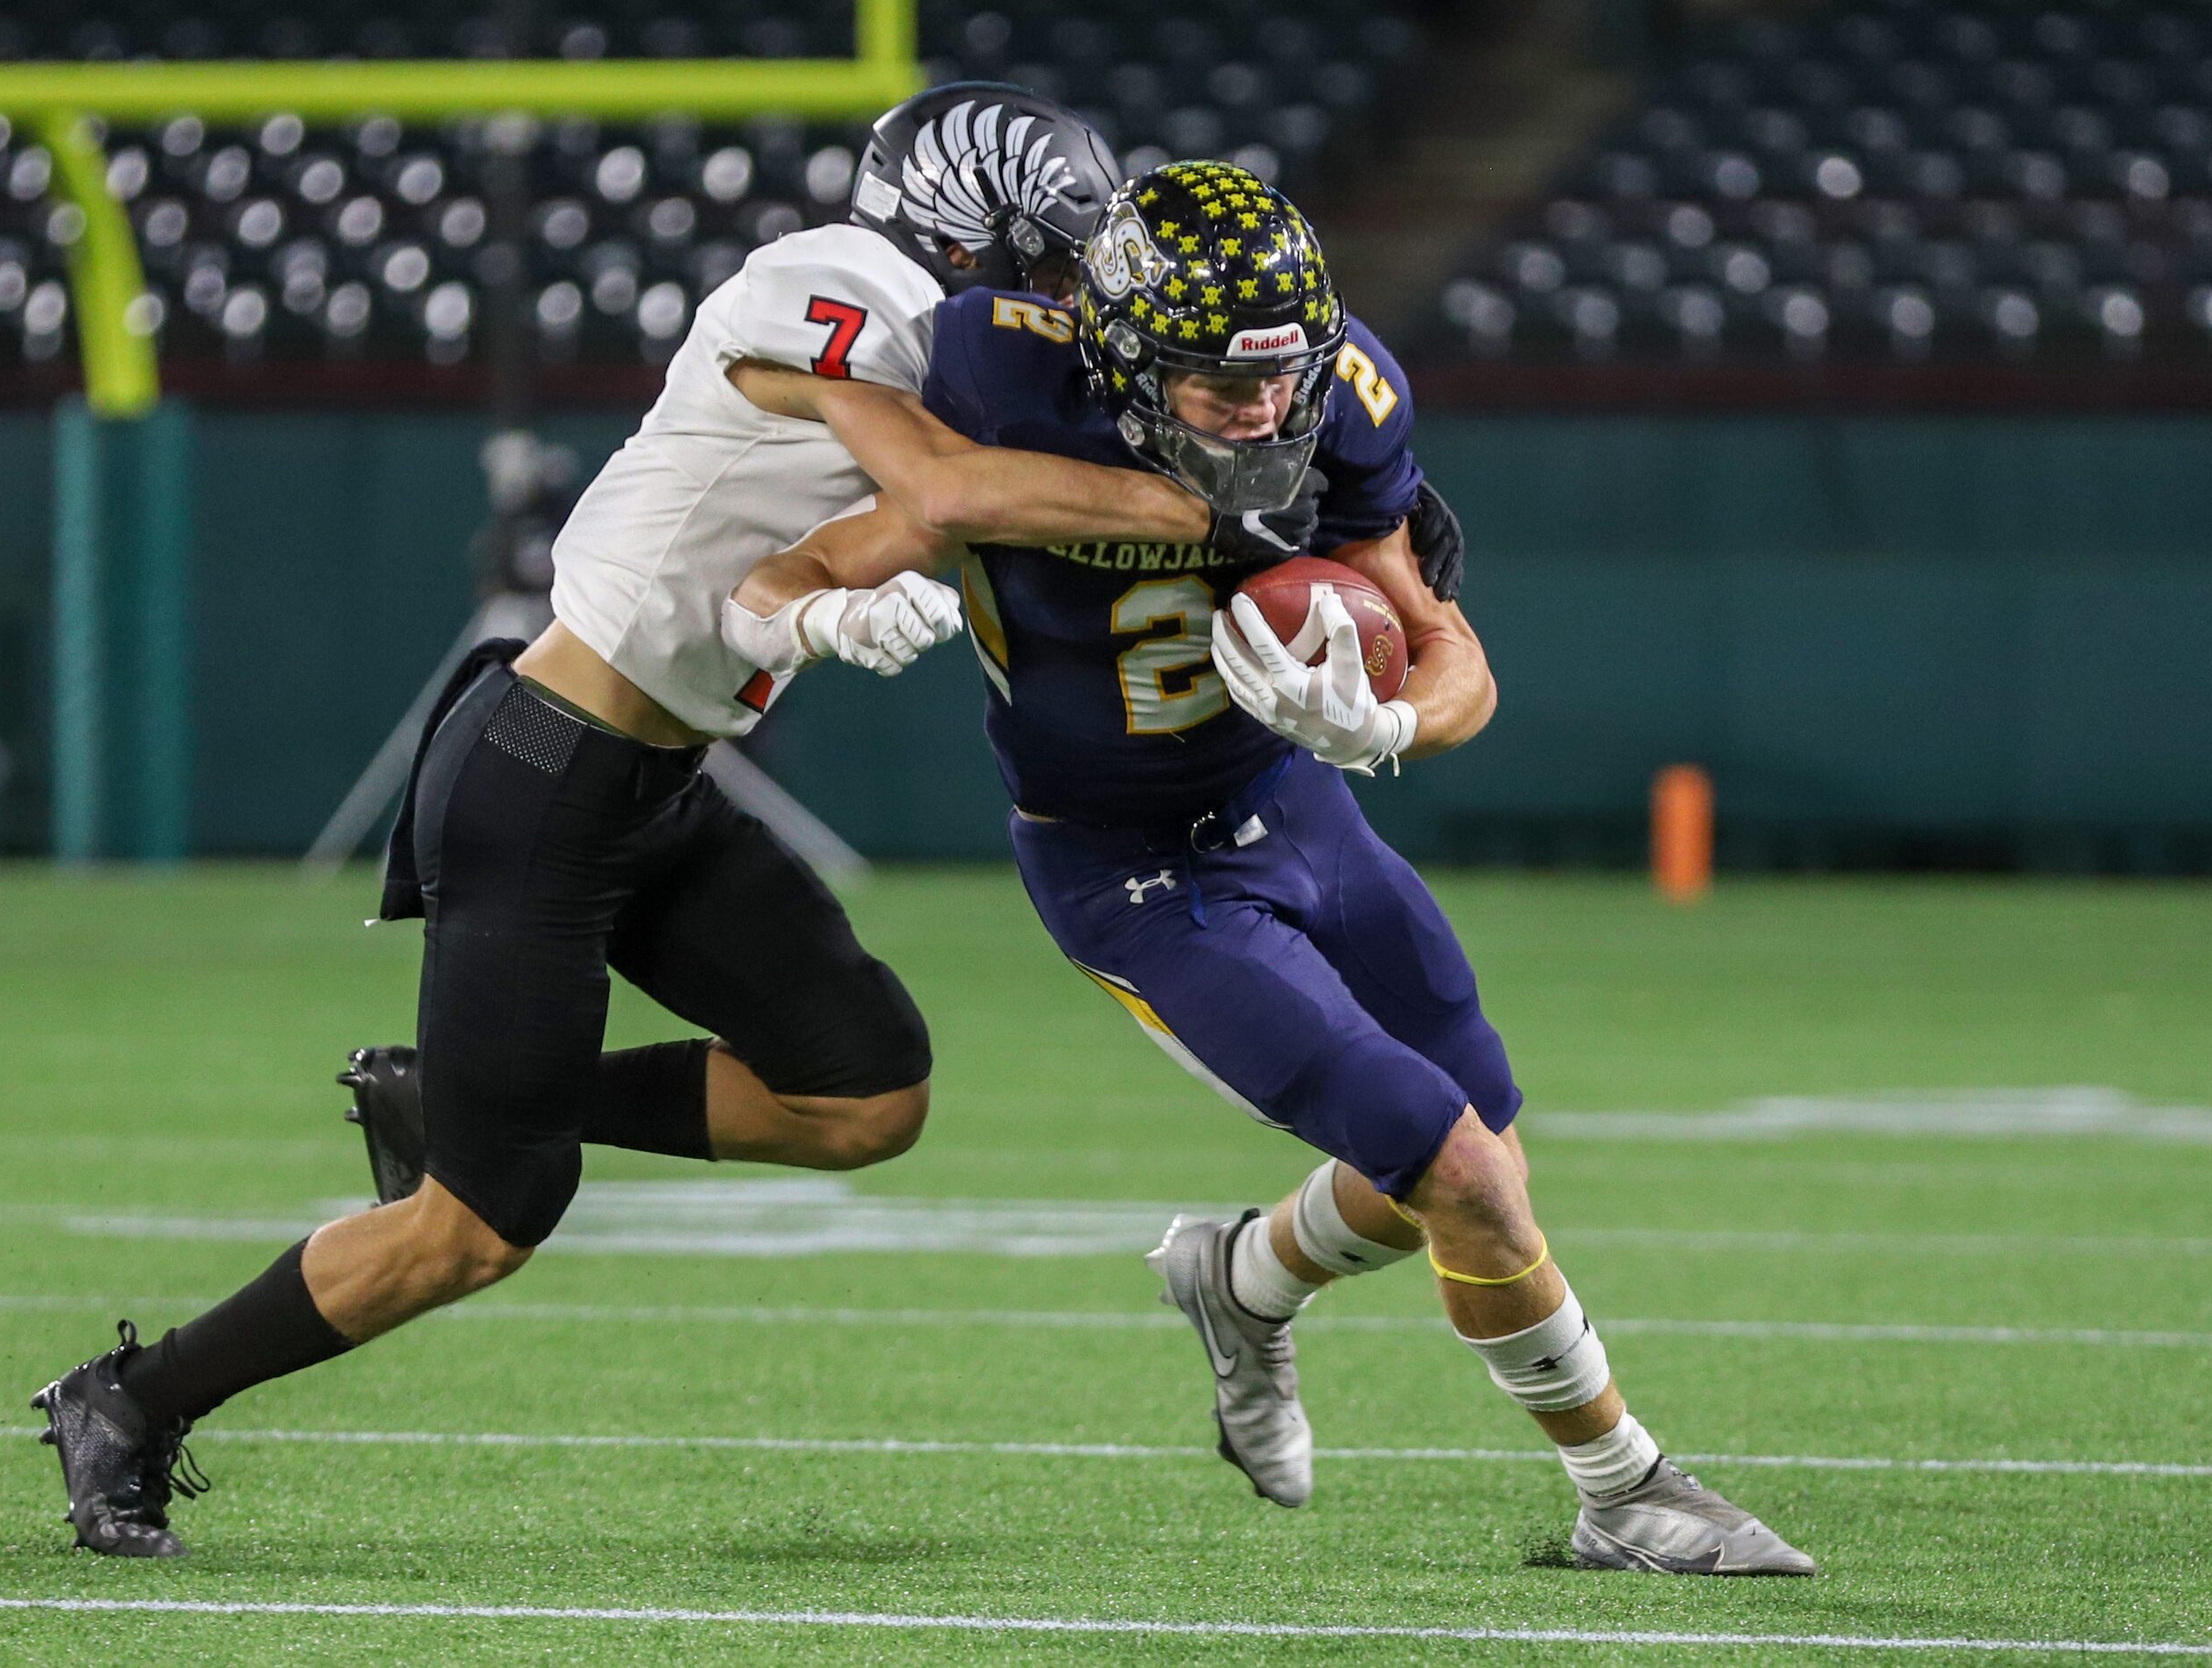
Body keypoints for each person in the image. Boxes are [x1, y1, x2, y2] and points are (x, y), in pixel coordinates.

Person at [30, 90, 1318, 1560]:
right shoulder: (839, 284)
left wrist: (1347, 513)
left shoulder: (963, 348)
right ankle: (132, 1398)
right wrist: (1227, 522)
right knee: (482, 1223)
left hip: (654, 780)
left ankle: (447, 1093)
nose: (1082, 296)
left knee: (866, 1087)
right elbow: (948, 484)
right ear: (987, 233)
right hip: (542, 775)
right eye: (1067, 257)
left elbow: (1074, 462)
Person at [725, 161, 1817, 1577]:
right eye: (1217, 387)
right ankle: (1629, 1490)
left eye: (1278, 380)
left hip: (1294, 807)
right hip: (1130, 870)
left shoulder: (1340, 401)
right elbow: (779, 565)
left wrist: (1389, 723)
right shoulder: (995, 398)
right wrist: (816, 625)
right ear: (1118, 355)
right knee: (1467, 1174)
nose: (1260, 414)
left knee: (1483, 1148)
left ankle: (1241, 1278)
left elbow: (1456, 659)